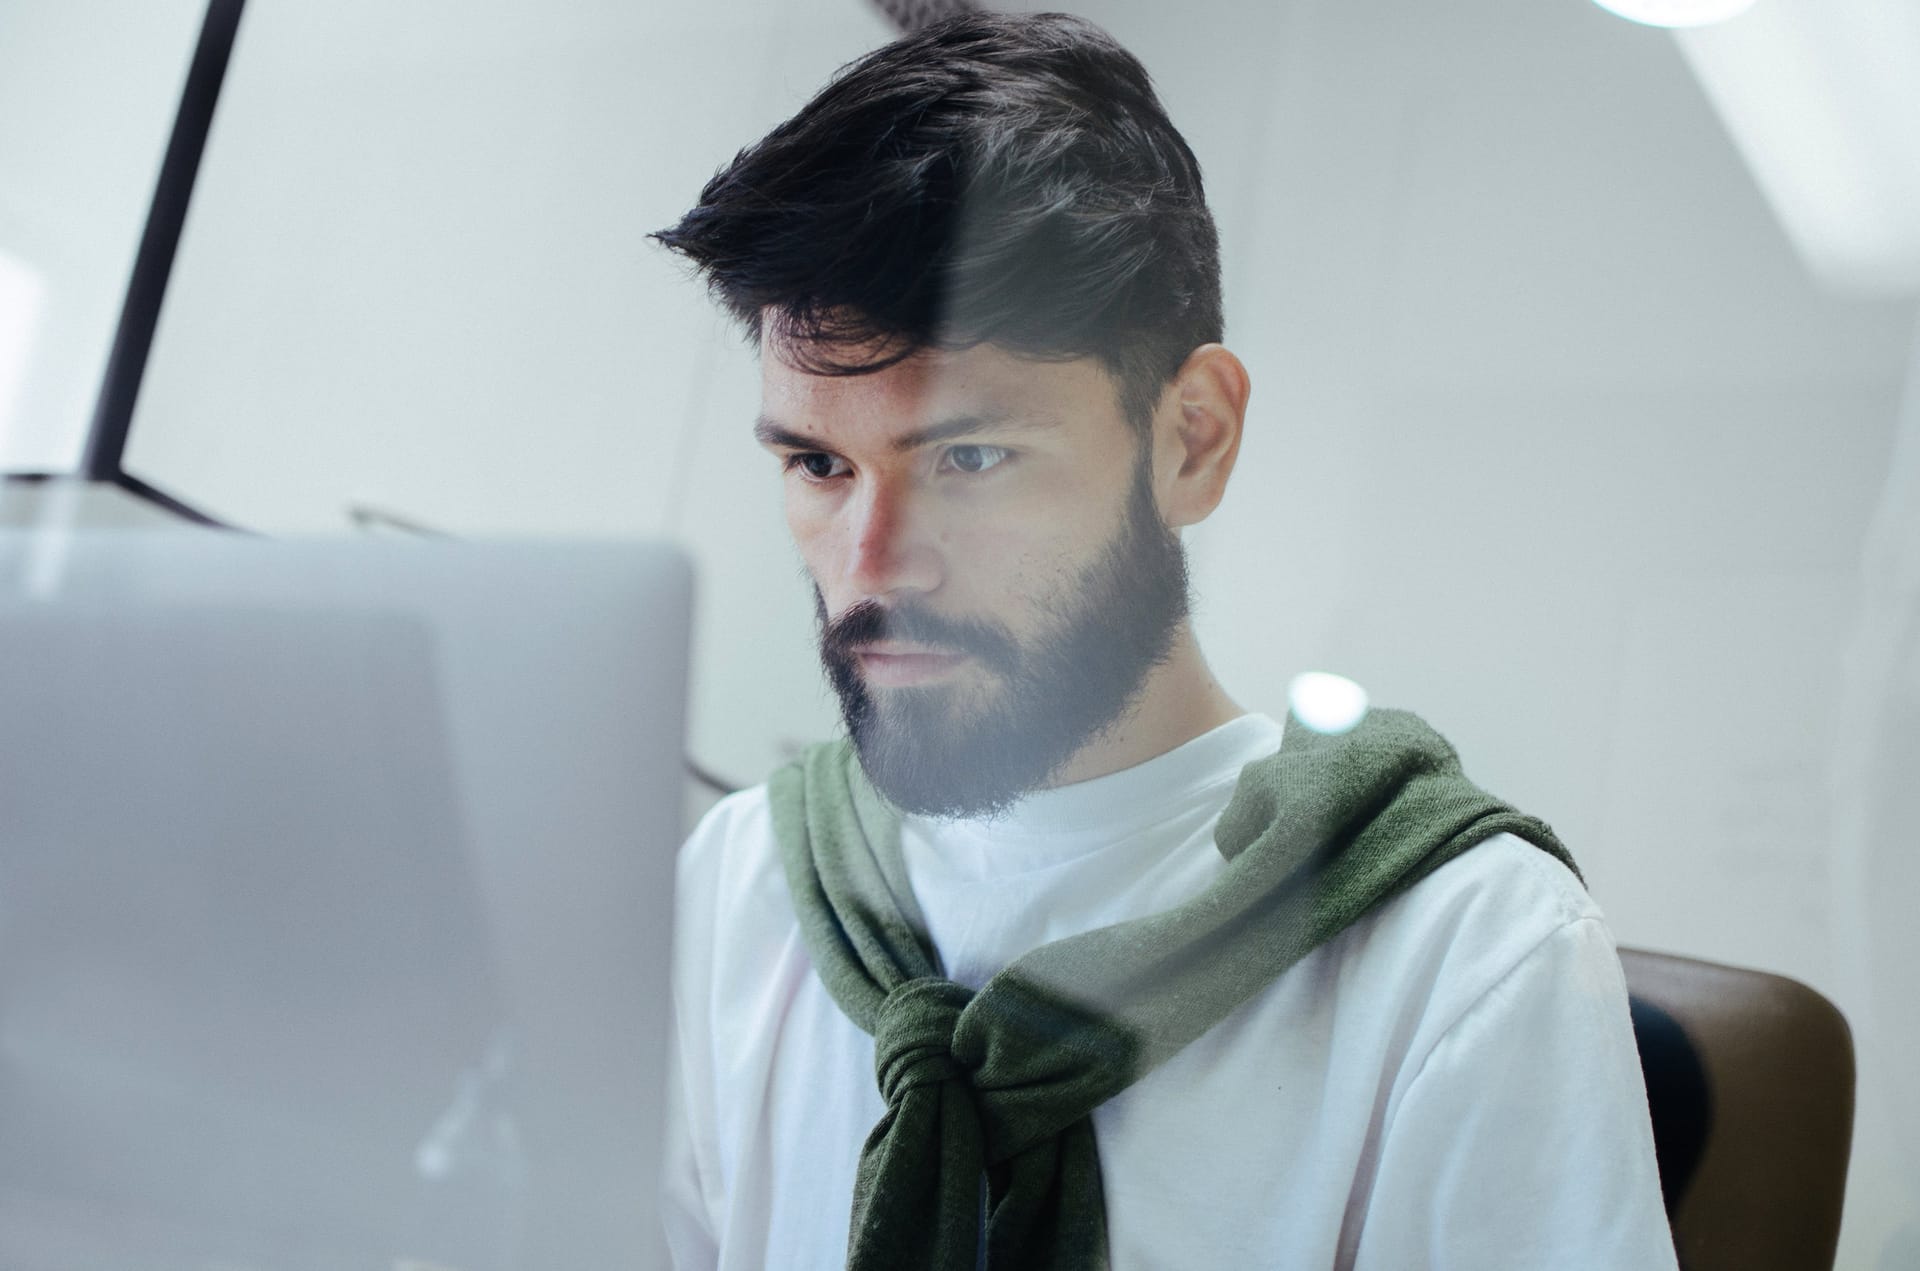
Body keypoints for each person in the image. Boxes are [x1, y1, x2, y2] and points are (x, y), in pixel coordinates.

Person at [653, 12, 1676, 1270]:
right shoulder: (741, 882)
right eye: (818, 463)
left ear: (1193, 438)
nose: (870, 564)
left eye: (972, 457)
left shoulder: (1465, 955)